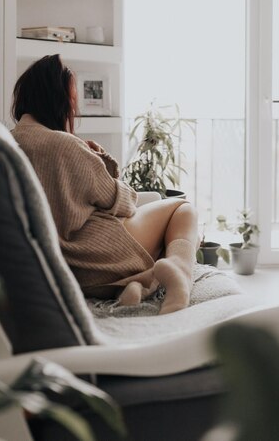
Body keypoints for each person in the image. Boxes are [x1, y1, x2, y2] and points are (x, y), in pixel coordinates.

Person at [11, 54, 200, 315]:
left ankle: (139, 285)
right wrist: (101, 159)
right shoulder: (64, 144)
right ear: (58, 100)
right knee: (183, 209)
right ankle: (179, 270)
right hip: (100, 255)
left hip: (63, 269)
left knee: (159, 238)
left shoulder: (7, 144)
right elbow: (123, 203)